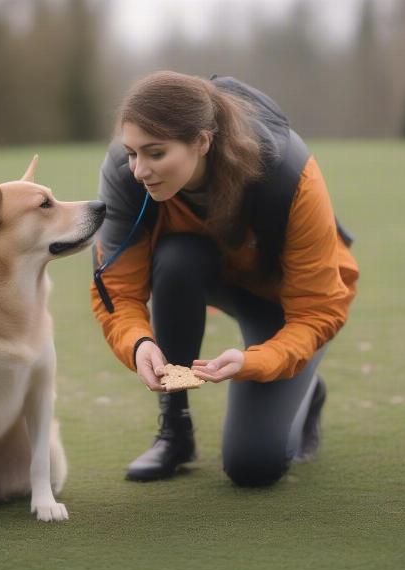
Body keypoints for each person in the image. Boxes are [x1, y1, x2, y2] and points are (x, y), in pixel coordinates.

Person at [90, 71, 358, 486]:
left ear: (202, 141)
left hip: (283, 305)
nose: (140, 169)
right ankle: (175, 430)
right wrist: (138, 343)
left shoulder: (286, 171)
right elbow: (117, 290)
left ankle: (309, 391)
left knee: (254, 466)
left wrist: (255, 361)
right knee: (177, 257)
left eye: (156, 153)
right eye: (131, 153)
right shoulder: (126, 176)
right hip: (205, 273)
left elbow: (317, 311)